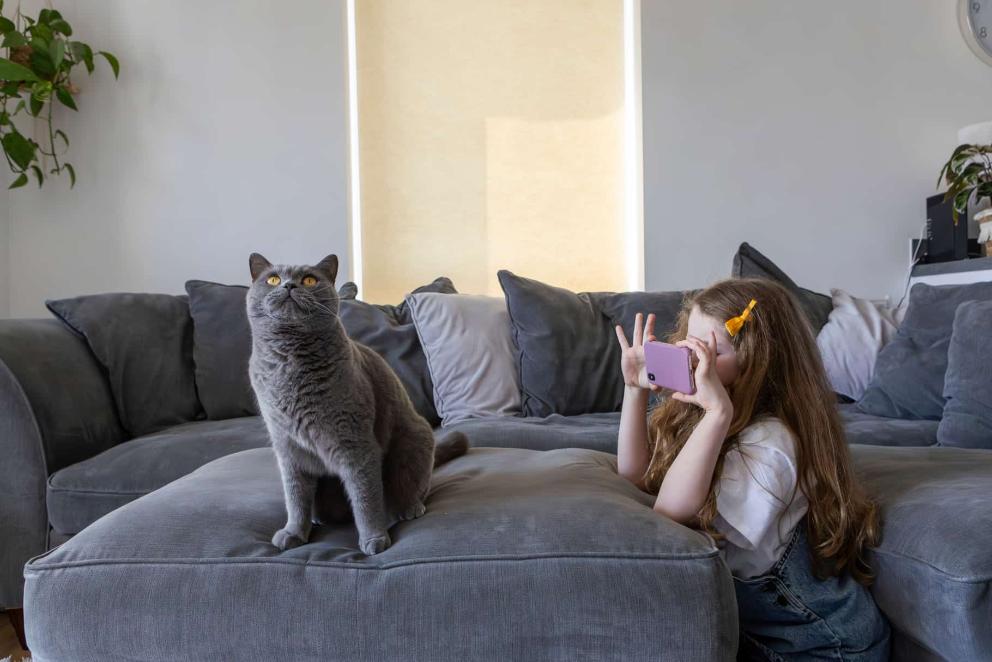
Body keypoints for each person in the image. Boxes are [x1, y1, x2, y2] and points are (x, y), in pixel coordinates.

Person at [615, 278, 890, 661]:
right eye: (689, 341)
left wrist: (716, 412)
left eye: (712, 349)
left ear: (759, 363)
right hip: (761, 634)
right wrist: (634, 389)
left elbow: (670, 514)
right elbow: (637, 477)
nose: (692, 358)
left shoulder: (770, 445)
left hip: (822, 647)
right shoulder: (710, 417)